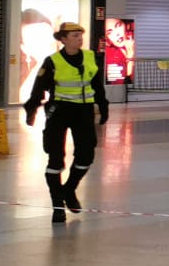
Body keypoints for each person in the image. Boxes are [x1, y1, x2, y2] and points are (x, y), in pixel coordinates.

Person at [23, 22, 108, 224]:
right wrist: (32, 108)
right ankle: (57, 207)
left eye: (80, 35)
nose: (80, 39)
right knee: (55, 158)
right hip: (59, 111)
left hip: (84, 111)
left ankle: (69, 190)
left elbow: (97, 85)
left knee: (86, 155)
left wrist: (103, 106)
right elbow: (39, 87)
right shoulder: (52, 61)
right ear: (63, 39)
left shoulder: (90, 57)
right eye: (75, 35)